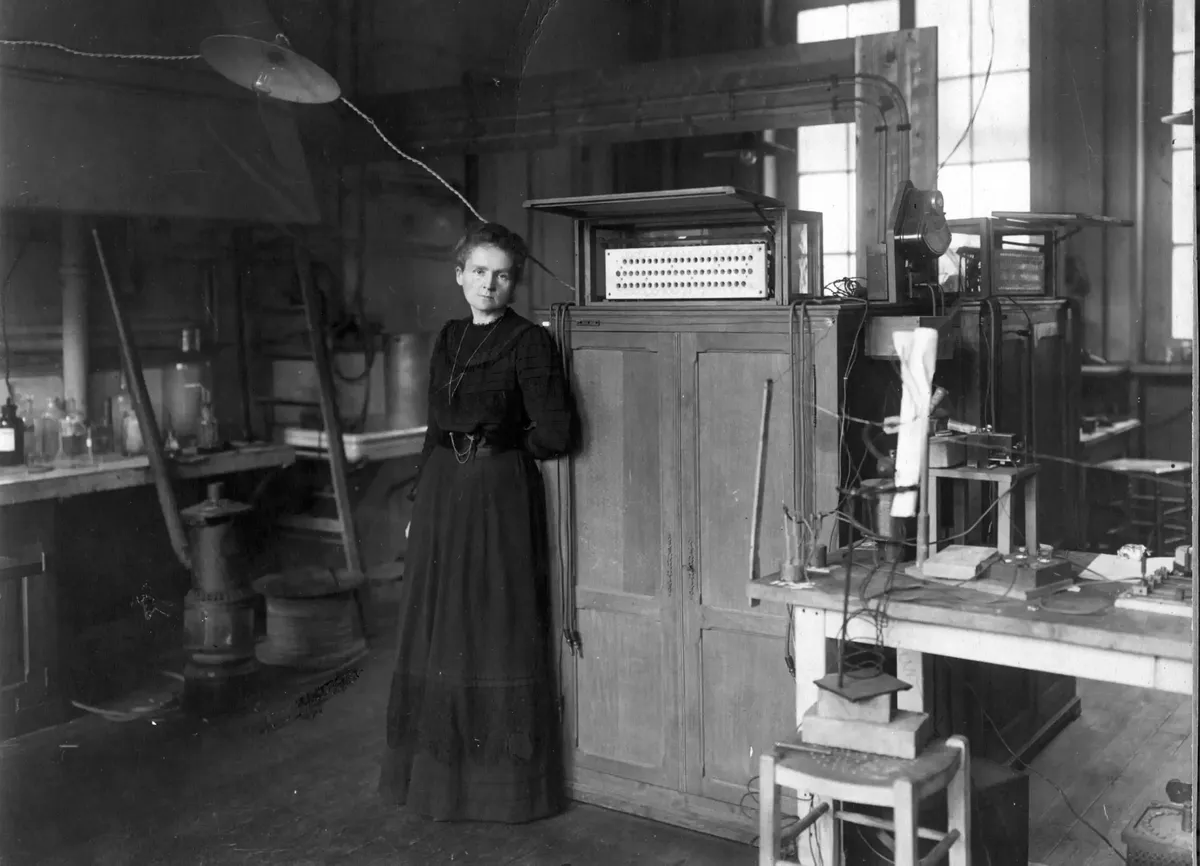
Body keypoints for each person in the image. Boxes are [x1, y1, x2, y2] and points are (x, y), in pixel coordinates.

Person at [380, 222, 578, 824]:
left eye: (503, 274)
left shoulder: (528, 343)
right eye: (479, 272)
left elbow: (558, 433)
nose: (490, 284)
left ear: (513, 281)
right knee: (438, 626)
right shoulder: (447, 337)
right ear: (460, 274)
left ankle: (497, 791)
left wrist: (501, 442)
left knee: (491, 624)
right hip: (442, 492)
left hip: (496, 493)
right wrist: (420, 505)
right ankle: (434, 782)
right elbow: (435, 428)